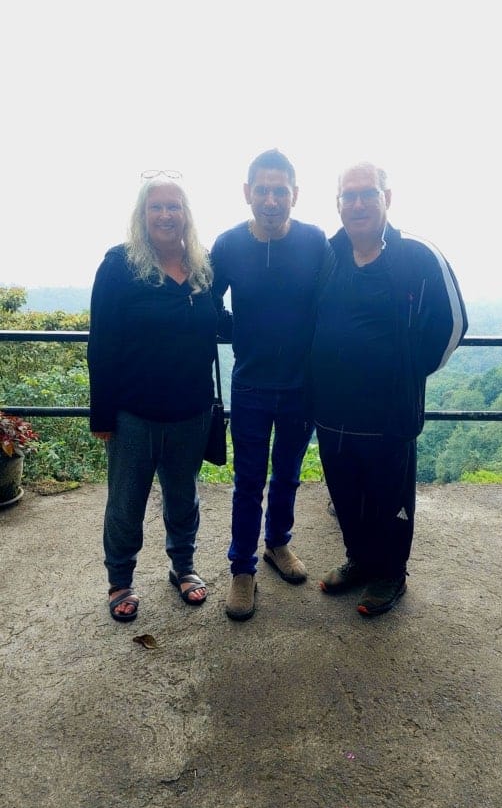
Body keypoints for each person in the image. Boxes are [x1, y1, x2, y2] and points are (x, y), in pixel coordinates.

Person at [311, 161, 468, 615]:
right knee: (346, 496)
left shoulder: (416, 255)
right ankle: (359, 560)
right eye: (349, 195)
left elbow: (453, 323)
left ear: (387, 199)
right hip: (332, 413)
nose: (358, 204)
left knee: (389, 499)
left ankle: (390, 574)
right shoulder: (327, 256)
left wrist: (409, 373)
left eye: (368, 194)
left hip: (389, 414)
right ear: (338, 203)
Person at [87, 171, 217, 621]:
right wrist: (102, 415)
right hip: (133, 414)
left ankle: (183, 566)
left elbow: (217, 320)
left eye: (173, 206)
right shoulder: (119, 266)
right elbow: (101, 343)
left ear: (186, 214)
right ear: (142, 215)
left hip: (191, 412)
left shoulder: (202, 266)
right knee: (126, 503)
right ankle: (120, 580)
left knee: (184, 497)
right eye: (156, 207)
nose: (165, 214)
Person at [210, 149, 331, 621]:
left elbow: (330, 301)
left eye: (280, 191)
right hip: (251, 385)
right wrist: (237, 331)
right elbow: (208, 302)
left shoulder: (314, 241)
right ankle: (242, 568)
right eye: (262, 190)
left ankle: (277, 543)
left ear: (295, 194)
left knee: (288, 473)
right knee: (248, 481)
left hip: (302, 385)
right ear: (247, 192)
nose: (271, 200)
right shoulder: (228, 245)